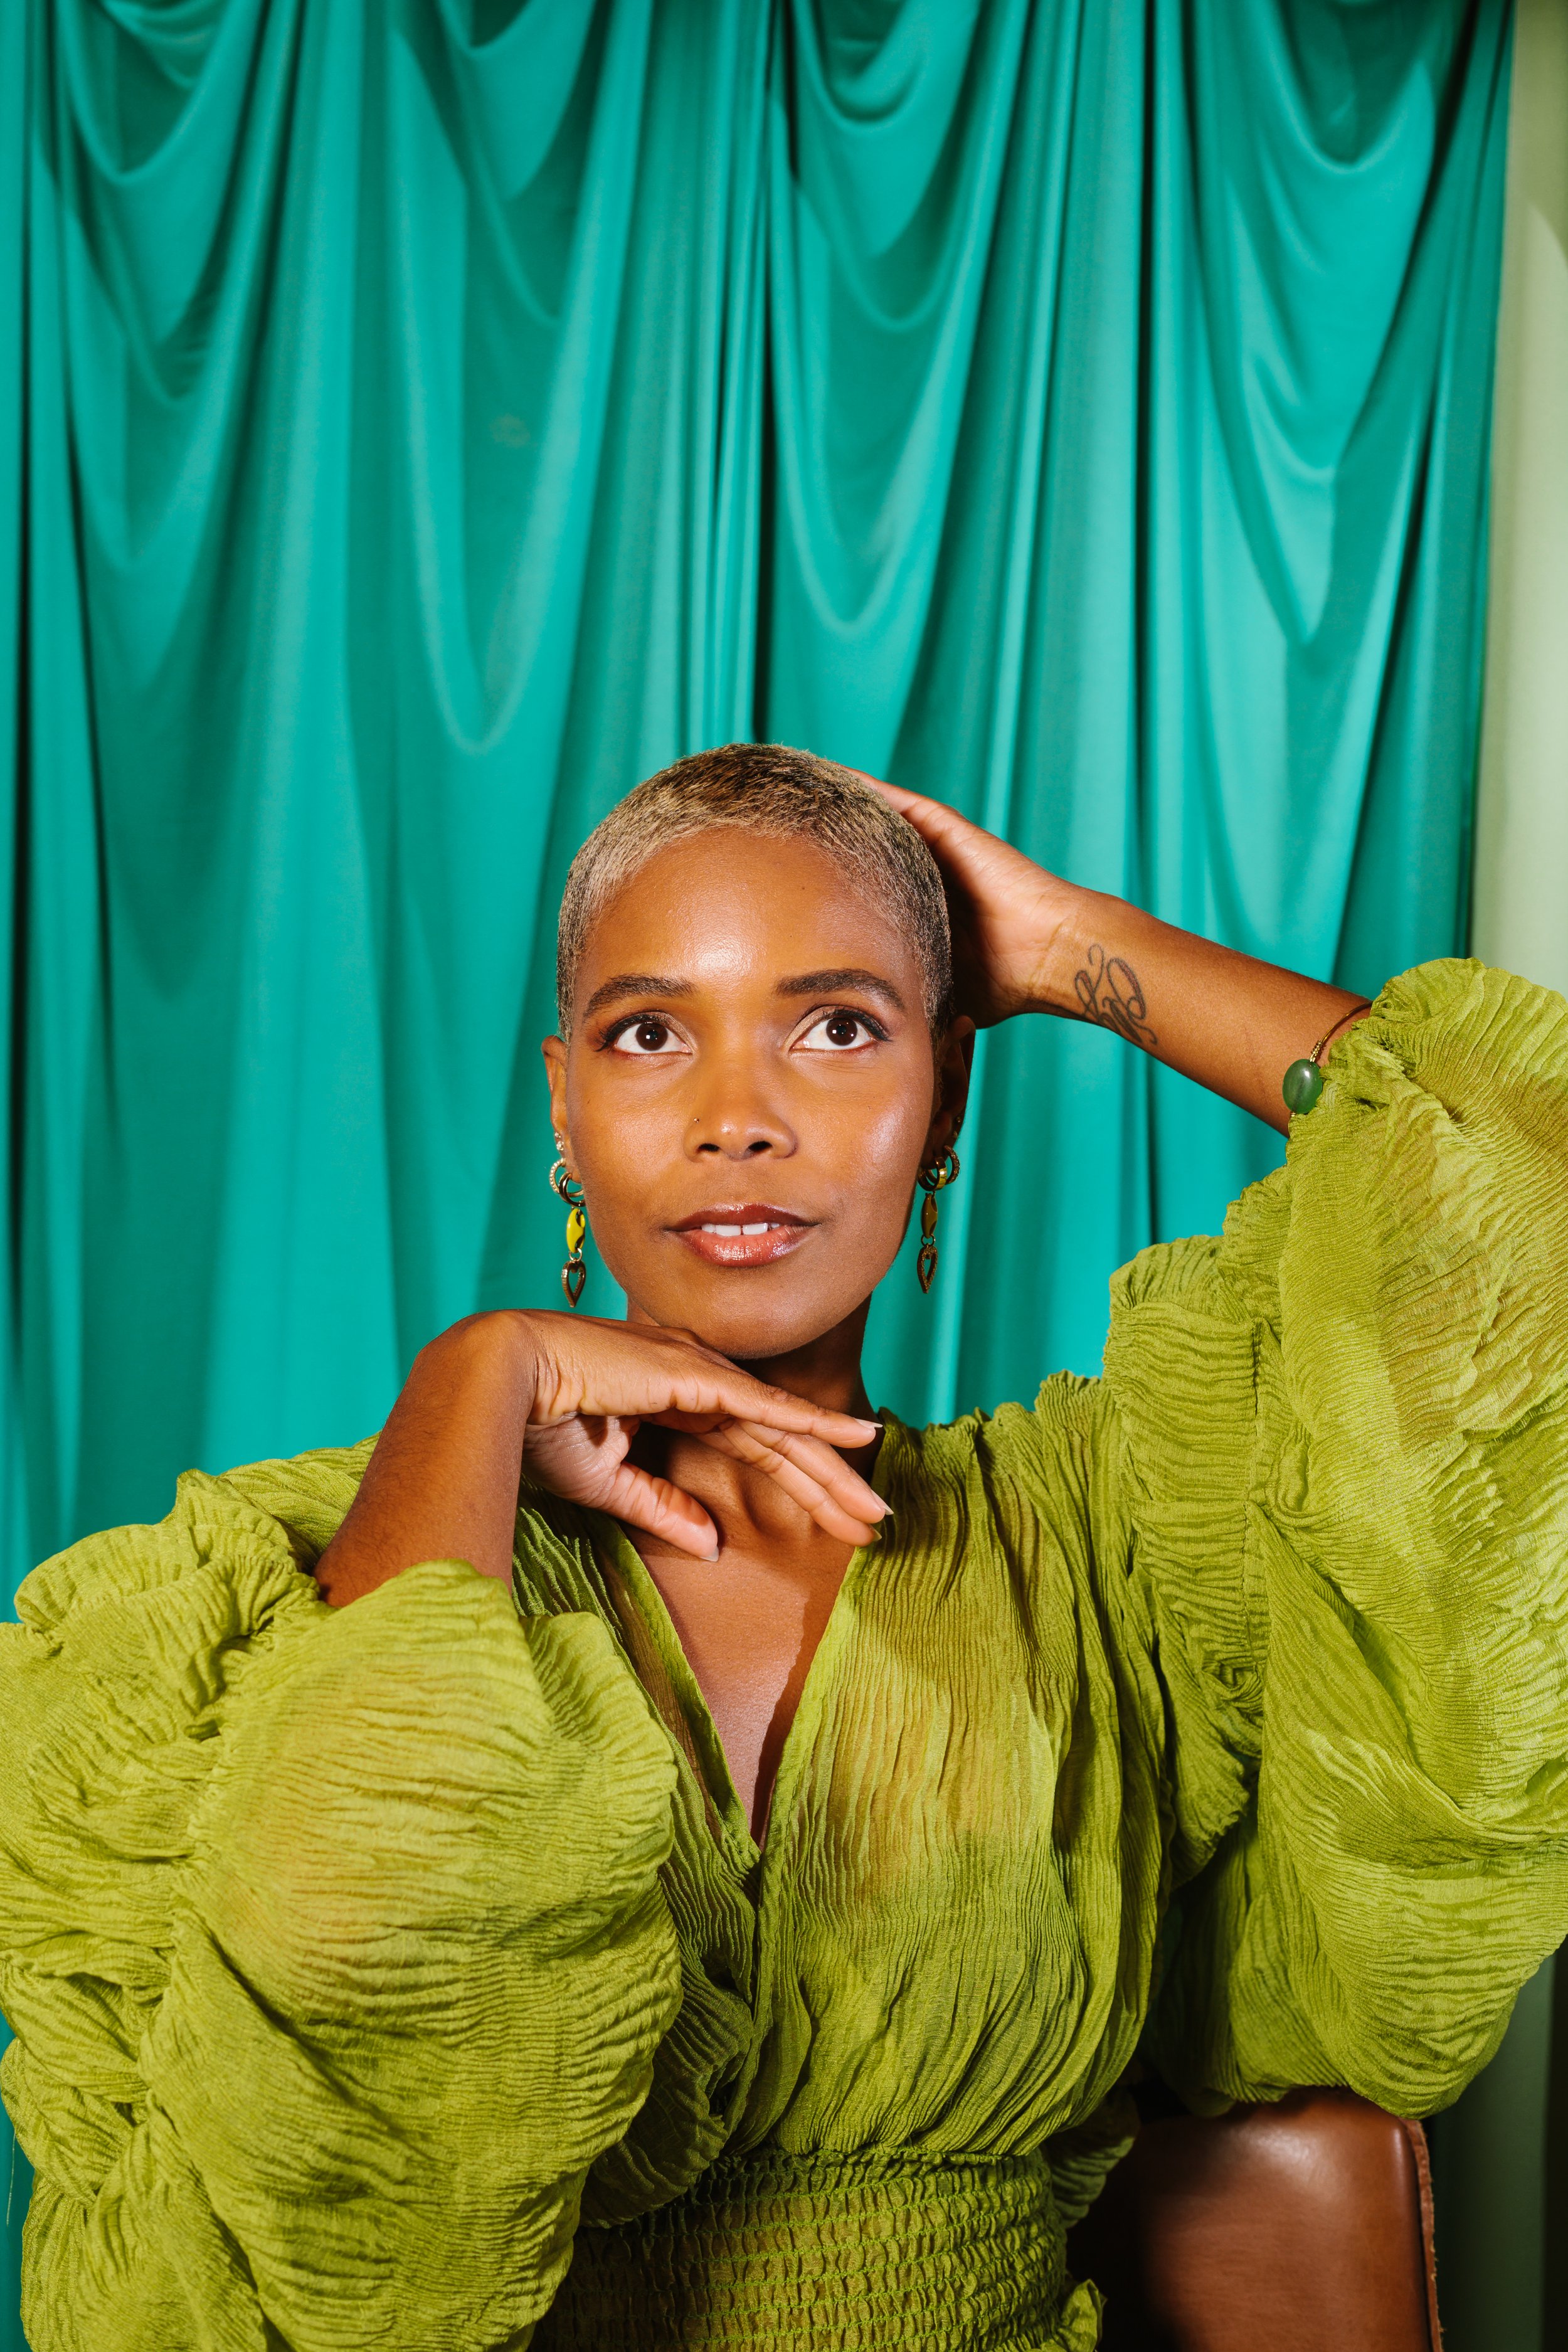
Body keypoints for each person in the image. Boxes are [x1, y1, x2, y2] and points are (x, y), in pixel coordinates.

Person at [1, 742, 1565, 2352]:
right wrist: (476, 1379)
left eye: (836, 1028)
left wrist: (1065, 946)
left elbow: (1520, 1206)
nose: (736, 1118)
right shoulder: (293, 1574)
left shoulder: (1114, 1541)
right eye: (650, 1033)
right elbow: (340, 2027)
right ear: (565, 1099)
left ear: (941, 1091)